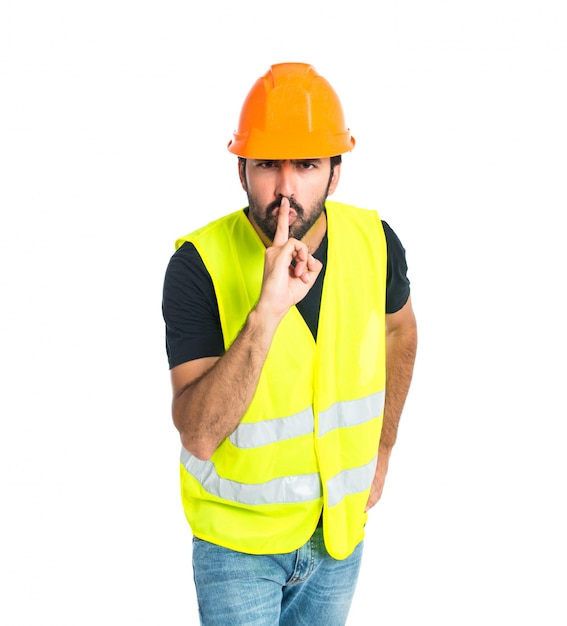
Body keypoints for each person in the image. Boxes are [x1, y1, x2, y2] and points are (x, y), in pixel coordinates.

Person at [162, 62, 418, 625]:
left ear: (334, 173)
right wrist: (267, 312)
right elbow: (199, 435)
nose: (285, 188)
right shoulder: (196, 265)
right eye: (267, 166)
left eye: (305, 165)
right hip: (238, 547)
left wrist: (383, 450)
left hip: (337, 539)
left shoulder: (374, 242)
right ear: (240, 170)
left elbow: (401, 329)